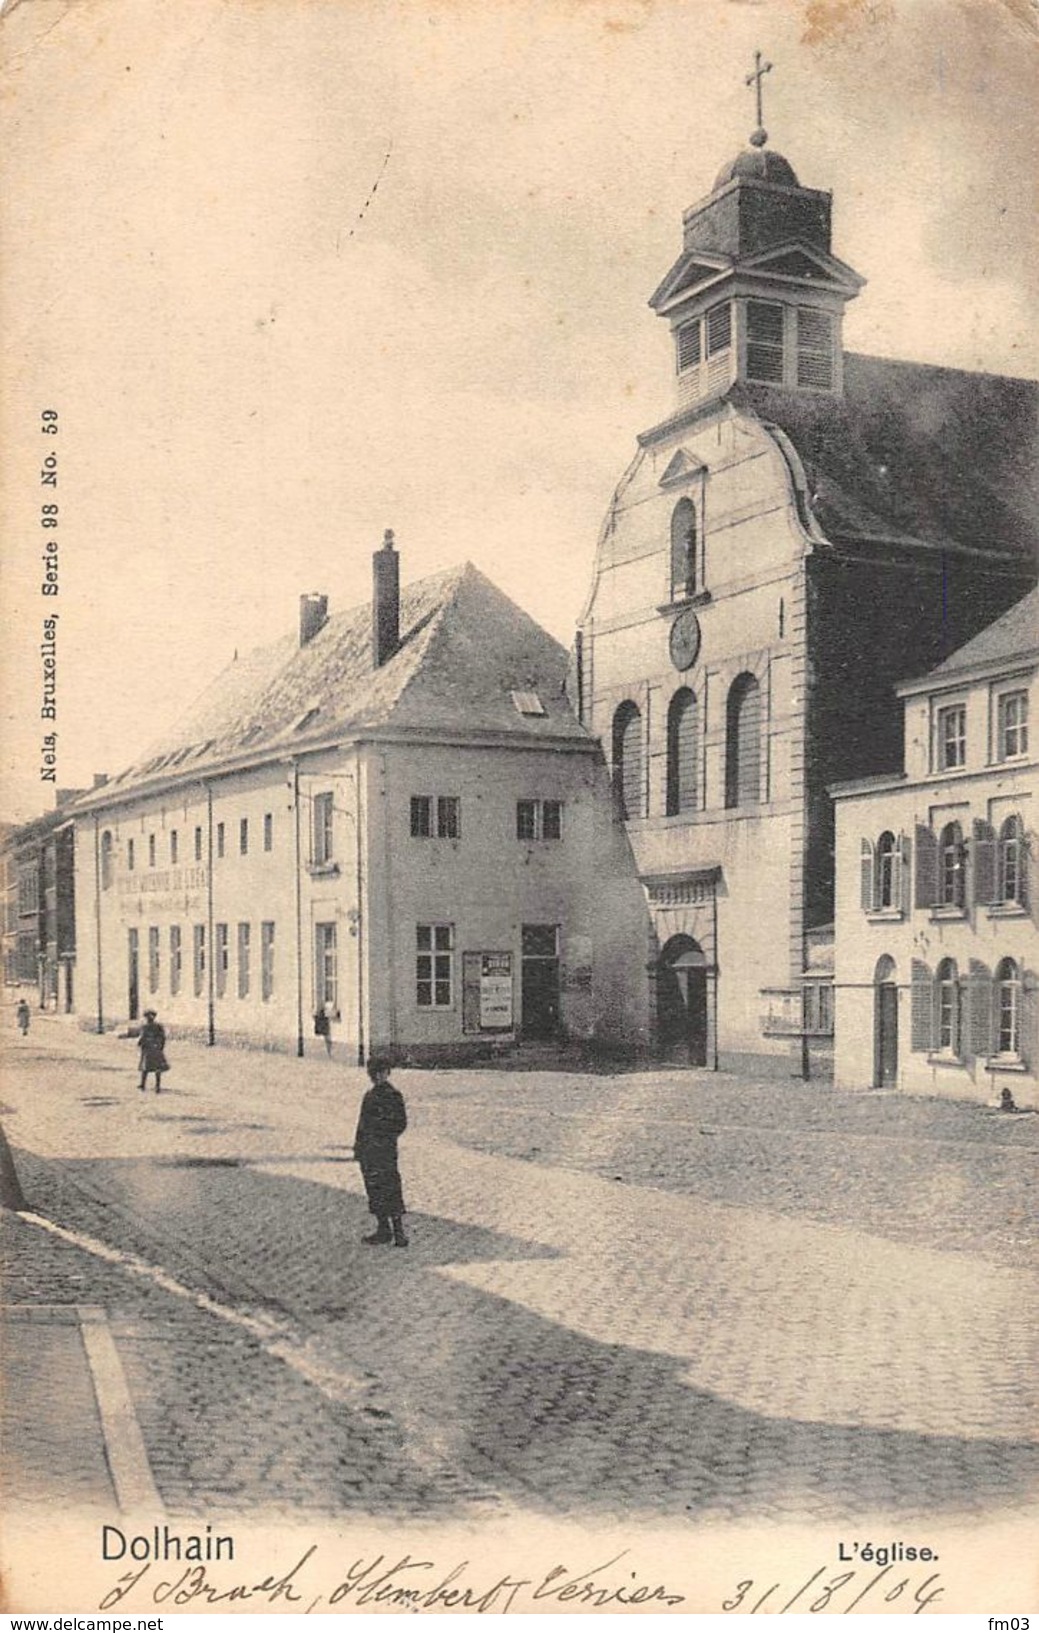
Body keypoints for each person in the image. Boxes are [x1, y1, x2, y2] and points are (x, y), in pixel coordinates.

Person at [353, 1055, 408, 1247]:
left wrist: (385, 1134)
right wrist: (358, 1148)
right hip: (370, 1151)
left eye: (381, 1073)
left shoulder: (394, 1096)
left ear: (387, 1073)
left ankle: (399, 1231)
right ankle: (383, 1229)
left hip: (385, 1150)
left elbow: (401, 1123)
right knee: (374, 1189)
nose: (377, 1077)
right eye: (374, 1074)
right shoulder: (369, 1096)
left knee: (391, 1187)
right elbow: (362, 1124)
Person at [137, 1009, 169, 1093]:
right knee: (153, 1068)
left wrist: (140, 1044)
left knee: (147, 1067)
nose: (149, 1018)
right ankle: (152, 1085)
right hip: (154, 1049)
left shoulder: (147, 1026)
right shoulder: (156, 1026)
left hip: (150, 1049)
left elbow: (143, 1037)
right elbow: (162, 1037)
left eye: (149, 1016)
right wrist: (161, 1046)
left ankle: (148, 1085)